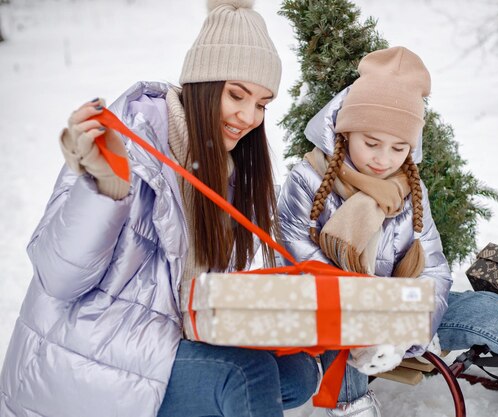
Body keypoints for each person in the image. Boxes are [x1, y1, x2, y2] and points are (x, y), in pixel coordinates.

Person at [0, 1, 320, 416]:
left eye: (261, 103)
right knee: (245, 375)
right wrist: (103, 189)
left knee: (297, 373)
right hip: (82, 357)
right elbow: (58, 277)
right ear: (202, 85)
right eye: (236, 95)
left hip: (162, 342)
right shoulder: (127, 145)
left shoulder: (225, 167)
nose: (248, 117)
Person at [276, 46, 498, 417]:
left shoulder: (408, 187)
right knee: (345, 334)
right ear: (346, 133)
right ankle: (351, 401)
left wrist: (408, 328)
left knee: (486, 307)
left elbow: (433, 267)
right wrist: (373, 317)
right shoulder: (309, 180)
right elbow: (301, 260)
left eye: (398, 148)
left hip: (402, 308)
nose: (383, 159)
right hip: (335, 310)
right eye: (371, 143)